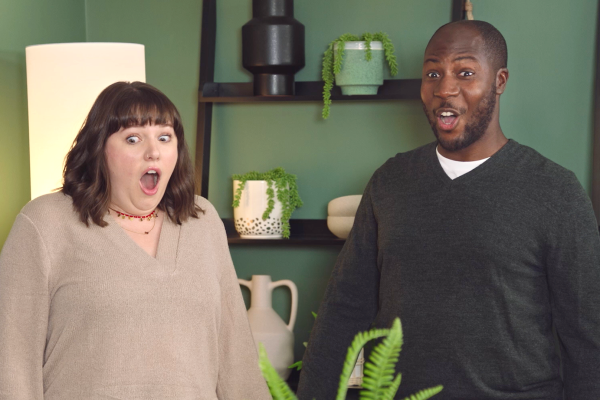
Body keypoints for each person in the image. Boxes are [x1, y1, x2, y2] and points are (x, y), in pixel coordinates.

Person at [297, 20, 600, 400]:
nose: (445, 88)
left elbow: (588, 339)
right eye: (432, 73)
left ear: (500, 81)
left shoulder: (555, 191)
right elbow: (343, 312)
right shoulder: (389, 182)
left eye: (465, 72)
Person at [0, 81, 271, 399]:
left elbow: (235, 354)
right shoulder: (44, 222)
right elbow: (13, 360)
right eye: (133, 138)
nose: (153, 151)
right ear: (100, 149)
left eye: (164, 137)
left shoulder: (203, 220)